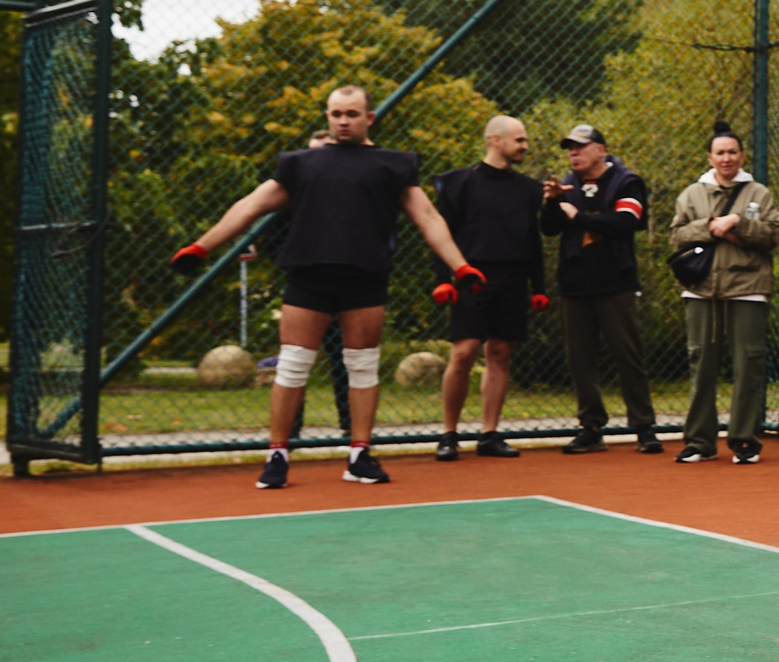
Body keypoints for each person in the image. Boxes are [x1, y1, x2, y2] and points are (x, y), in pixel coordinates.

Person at [175, 85, 483, 489]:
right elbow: (250, 205)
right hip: (308, 277)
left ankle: (359, 456)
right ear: (327, 116)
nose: (343, 121)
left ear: (369, 118)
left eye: (352, 114)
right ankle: (277, 456)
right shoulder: (302, 164)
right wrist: (202, 246)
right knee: (293, 365)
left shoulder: (392, 166)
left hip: (365, 278)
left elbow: (428, 218)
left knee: (362, 367)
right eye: (336, 113)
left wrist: (460, 266)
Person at [668, 120, 779, 465]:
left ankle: (744, 441)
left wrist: (739, 223)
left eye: (733, 152)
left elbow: (773, 236)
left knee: (747, 364)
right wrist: (710, 227)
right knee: (701, 364)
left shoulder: (759, 193)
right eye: (720, 152)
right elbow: (675, 236)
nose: (727, 158)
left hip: (748, 287)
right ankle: (699, 443)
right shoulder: (692, 194)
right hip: (700, 290)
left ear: (741, 155)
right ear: (710, 156)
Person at [430, 114, 550, 460]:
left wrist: (538, 286)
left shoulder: (529, 189)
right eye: (520, 140)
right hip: (471, 277)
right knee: (463, 352)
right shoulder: (459, 184)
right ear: (495, 140)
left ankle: (489, 434)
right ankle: (448, 434)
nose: (525, 146)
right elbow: (441, 235)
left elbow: (532, 241)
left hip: (512, 278)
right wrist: (443, 279)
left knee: (500, 353)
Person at [541, 122, 662, 453]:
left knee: (628, 356)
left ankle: (644, 427)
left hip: (616, 284)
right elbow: (549, 228)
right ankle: (591, 428)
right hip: (574, 284)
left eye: (580, 146)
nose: (573, 152)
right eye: (569, 147)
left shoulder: (627, 182)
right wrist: (552, 203)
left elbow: (625, 222)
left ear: (601, 150)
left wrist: (576, 216)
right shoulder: (566, 185)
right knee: (580, 359)